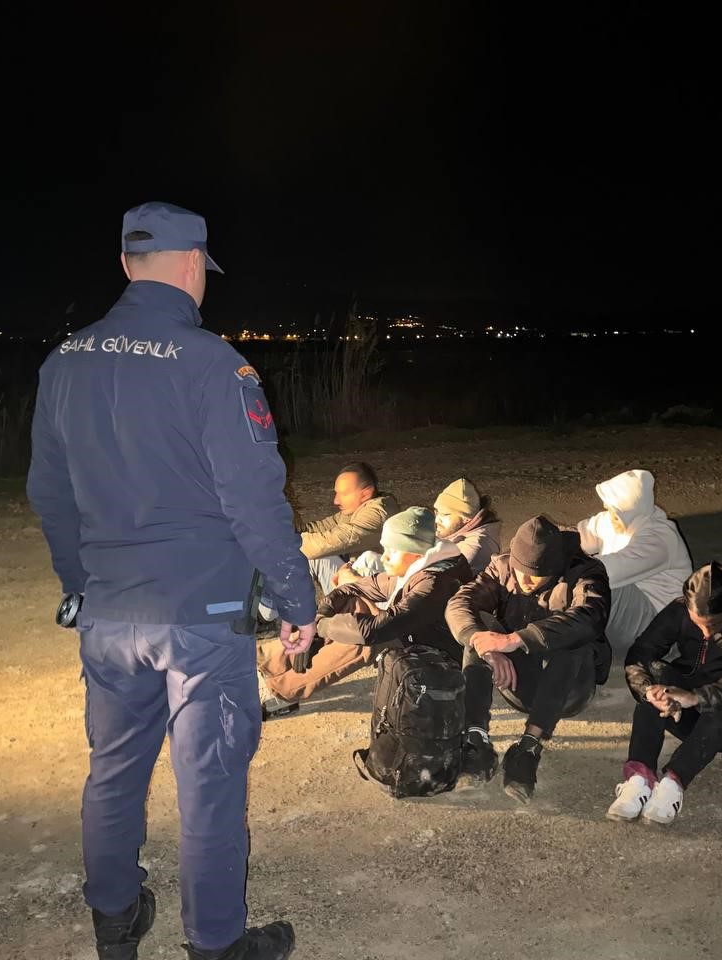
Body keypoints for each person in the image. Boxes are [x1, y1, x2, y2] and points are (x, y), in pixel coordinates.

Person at [26, 201, 313, 960]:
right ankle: (215, 944)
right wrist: (295, 597)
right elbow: (254, 500)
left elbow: (50, 495)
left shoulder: (63, 362)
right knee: (209, 783)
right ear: (193, 266)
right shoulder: (214, 365)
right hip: (200, 617)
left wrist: (80, 585)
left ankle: (115, 919)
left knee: (113, 771)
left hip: (109, 612)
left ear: (126, 264)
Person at [607, 562, 722, 826]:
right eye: (698, 624)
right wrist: (648, 692)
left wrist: (698, 697)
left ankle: (673, 784)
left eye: (714, 625)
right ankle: (640, 778)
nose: (705, 632)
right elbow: (640, 654)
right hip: (688, 717)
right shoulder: (680, 609)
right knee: (656, 677)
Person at [445, 515, 611, 802]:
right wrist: (489, 648)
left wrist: (514, 640)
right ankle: (476, 740)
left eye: (535, 575)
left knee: (575, 641)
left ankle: (529, 747)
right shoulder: (502, 567)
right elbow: (460, 603)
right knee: (479, 633)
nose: (524, 580)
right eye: (520, 571)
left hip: (567, 690)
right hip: (516, 680)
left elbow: (590, 617)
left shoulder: (585, 573)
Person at [257, 506, 473, 718]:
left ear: (416, 553)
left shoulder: (433, 584)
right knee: (352, 602)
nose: (384, 557)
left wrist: (321, 628)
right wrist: (320, 618)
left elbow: (375, 630)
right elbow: (351, 589)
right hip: (413, 633)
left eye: (393, 550)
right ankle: (267, 661)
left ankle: (284, 690)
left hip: (442, 658)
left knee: (363, 641)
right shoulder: (423, 564)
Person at [576, 469, 693, 659]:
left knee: (593, 583)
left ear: (630, 511)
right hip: (630, 617)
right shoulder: (614, 521)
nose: (609, 514)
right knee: (568, 570)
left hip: (658, 629)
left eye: (615, 512)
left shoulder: (660, 538)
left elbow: (608, 571)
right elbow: (575, 536)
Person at [340, 476, 500, 586]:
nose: (437, 520)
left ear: (466, 518)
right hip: (421, 582)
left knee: (358, 576)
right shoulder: (461, 532)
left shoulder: (474, 547)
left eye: (445, 515)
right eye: (437, 512)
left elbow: (428, 585)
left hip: (430, 603)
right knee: (368, 559)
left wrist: (360, 583)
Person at [299, 462, 398, 591]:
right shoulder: (357, 509)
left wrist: (281, 544)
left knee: (313, 553)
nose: (336, 501)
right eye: (336, 493)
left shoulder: (377, 515)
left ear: (365, 494)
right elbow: (320, 527)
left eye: (344, 494)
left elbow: (327, 542)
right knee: (316, 556)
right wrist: (284, 531)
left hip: (377, 595)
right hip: (360, 583)